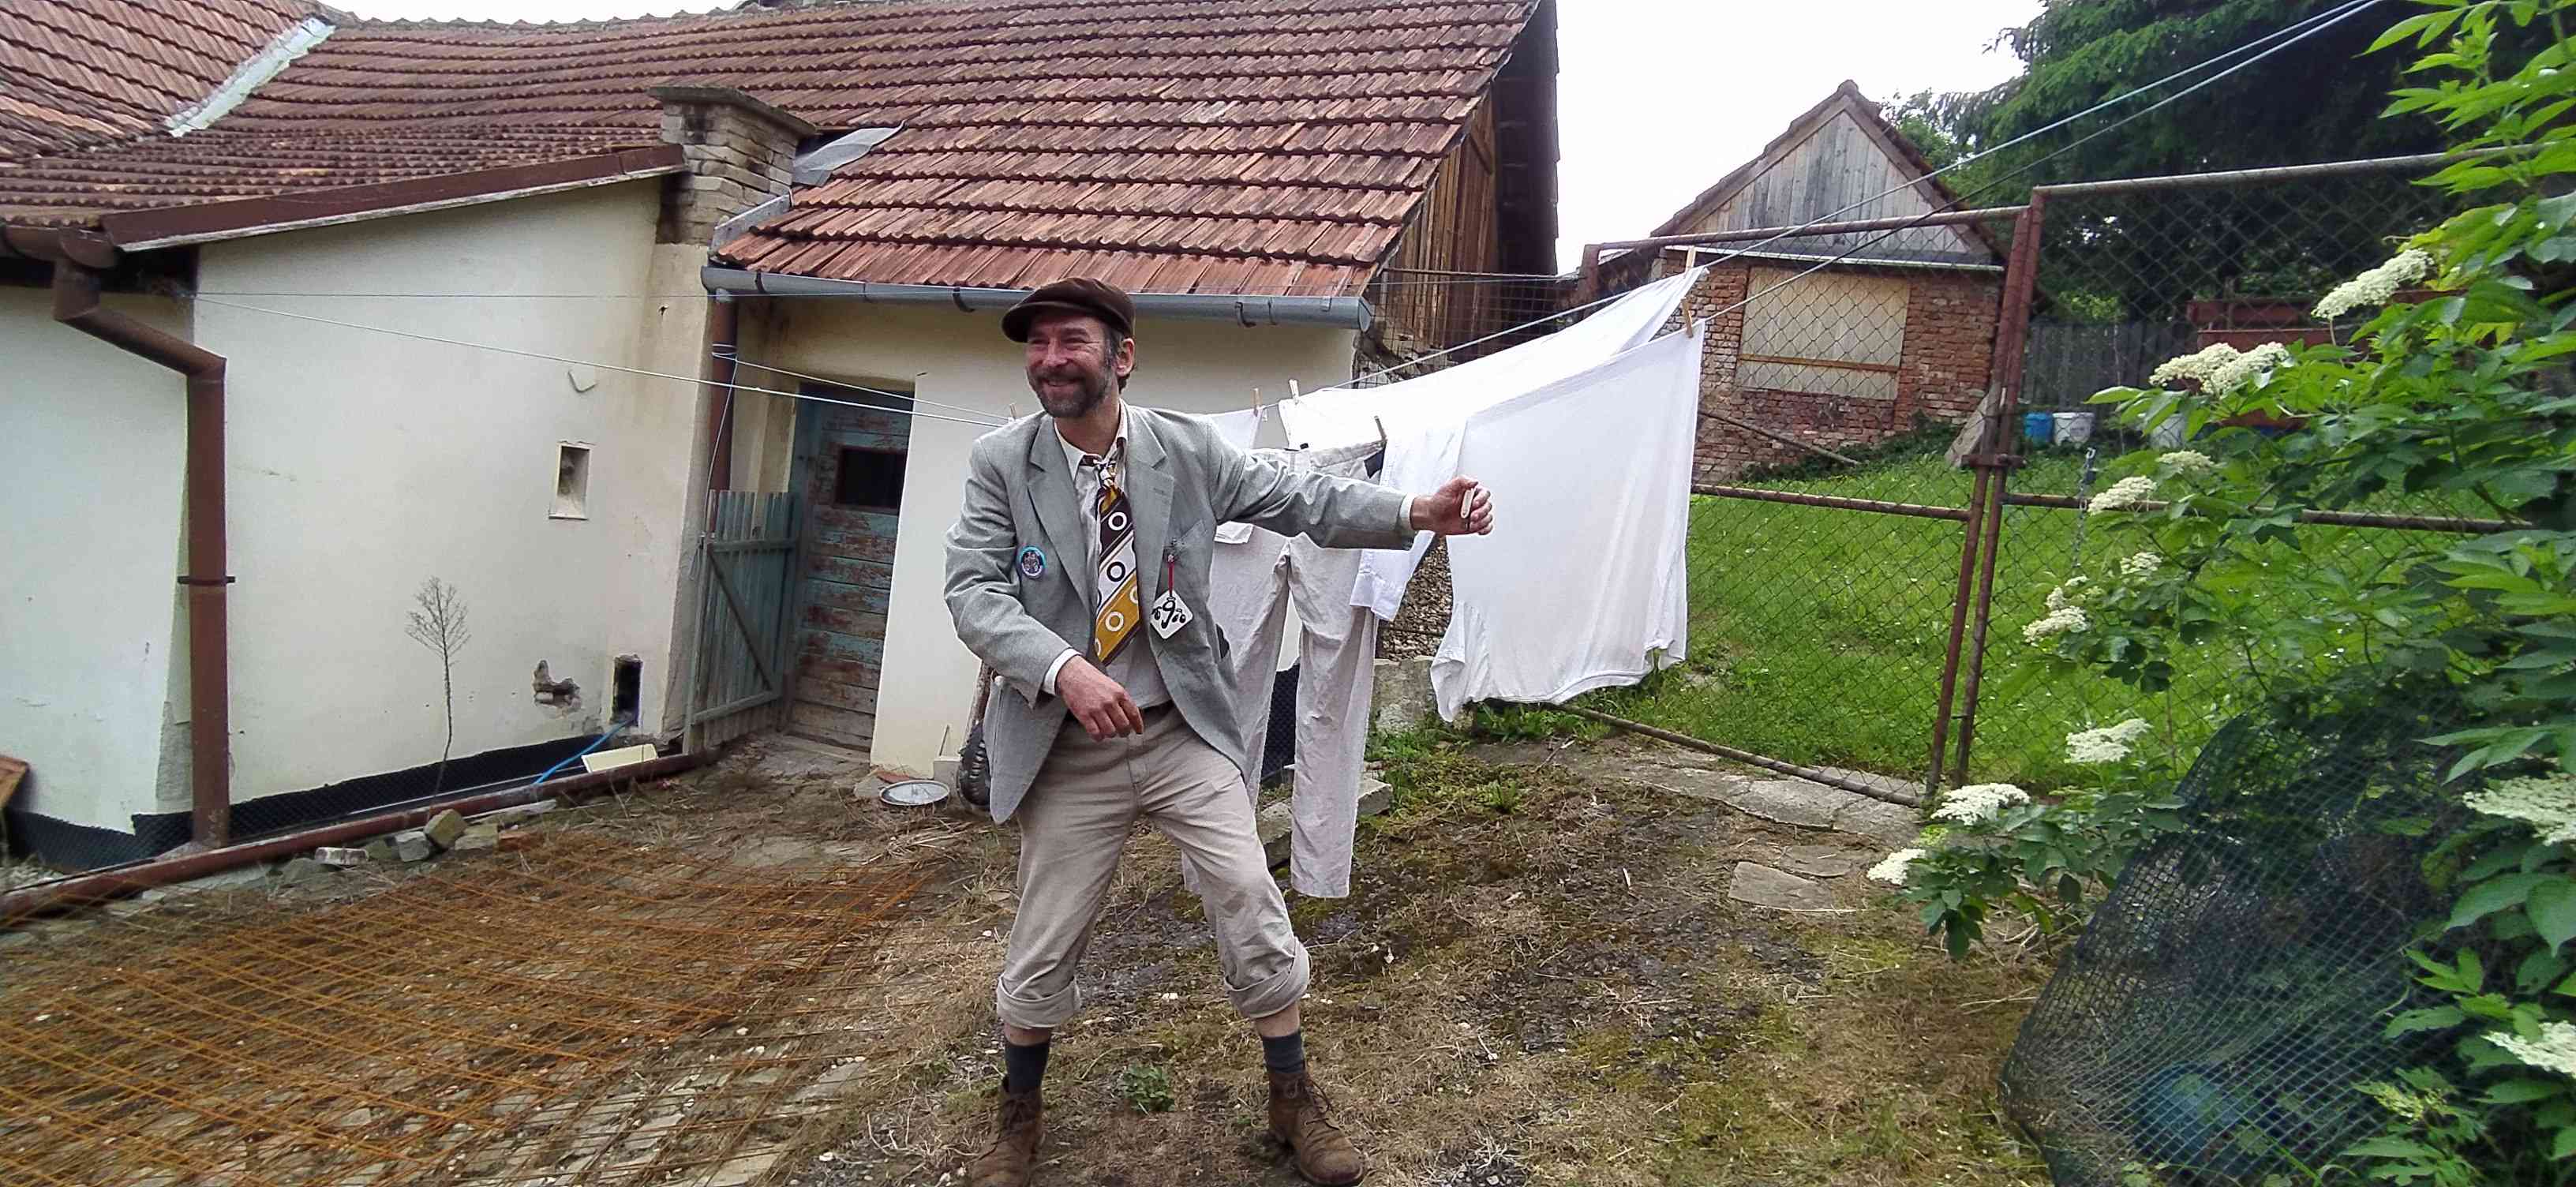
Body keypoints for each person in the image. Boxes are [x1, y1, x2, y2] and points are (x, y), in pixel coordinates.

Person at [944, 278, 1495, 1186]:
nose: (1049, 360)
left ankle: (1292, 1097)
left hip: (1181, 729)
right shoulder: (1002, 462)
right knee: (1044, 937)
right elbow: (973, 592)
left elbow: (1300, 496)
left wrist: (1415, 513)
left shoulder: (1185, 449)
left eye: (1070, 341)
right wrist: (1062, 666)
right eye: (1037, 344)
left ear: (1121, 356)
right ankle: (1018, 1116)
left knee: (1248, 893)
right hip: (1067, 746)